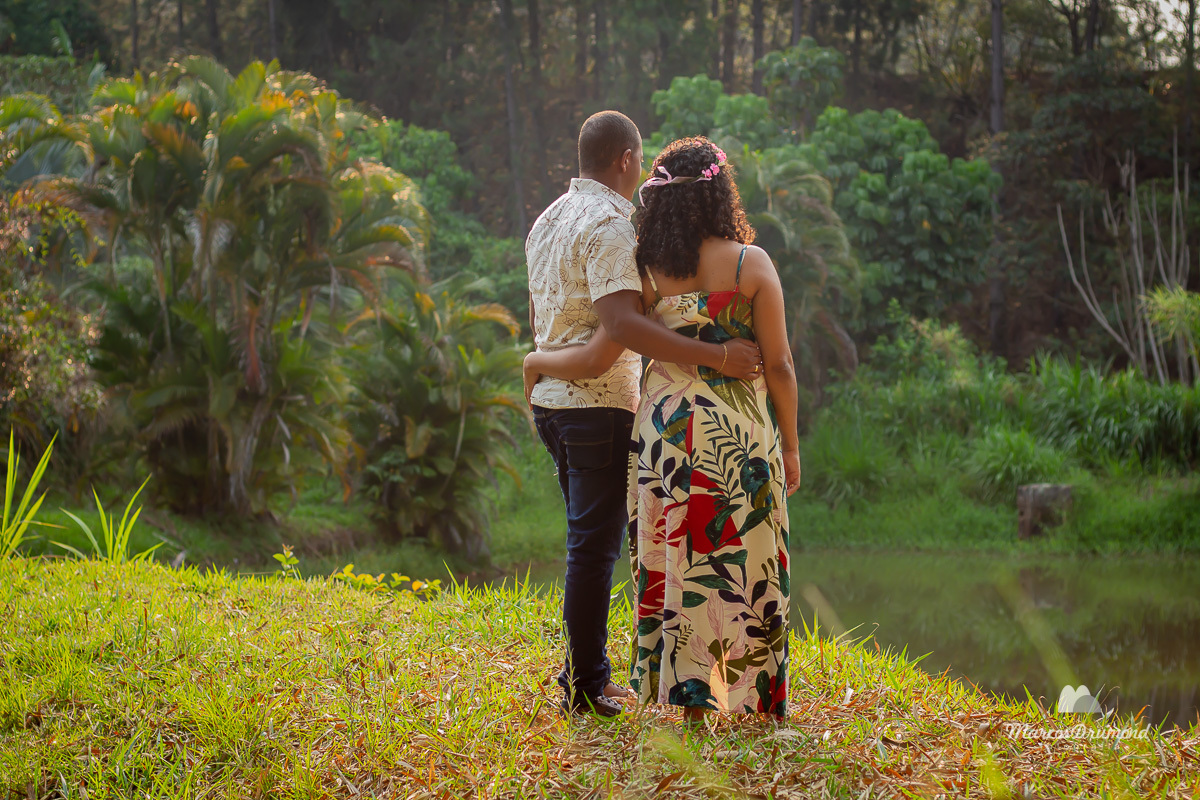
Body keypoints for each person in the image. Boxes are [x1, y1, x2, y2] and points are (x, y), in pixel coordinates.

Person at [524, 136, 801, 721]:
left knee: (674, 556)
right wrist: (792, 446)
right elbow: (778, 363)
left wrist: (538, 362)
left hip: (664, 431)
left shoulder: (644, 269)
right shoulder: (752, 264)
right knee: (744, 554)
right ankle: (753, 698)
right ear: (720, 192)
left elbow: (612, 336)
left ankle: (687, 699)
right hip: (737, 429)